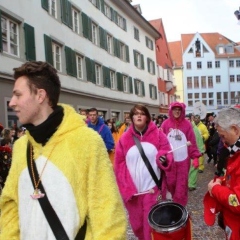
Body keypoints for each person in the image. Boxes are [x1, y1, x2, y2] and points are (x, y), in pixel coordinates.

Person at [0, 61, 127, 239]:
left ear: (40, 95)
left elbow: (108, 217)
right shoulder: (22, 146)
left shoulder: (87, 142)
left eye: (18, 95)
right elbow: (10, 204)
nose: (11, 103)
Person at [114, 104, 176, 240]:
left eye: (142, 113)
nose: (139, 116)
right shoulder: (124, 139)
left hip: (152, 190)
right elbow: (119, 164)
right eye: (136, 114)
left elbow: (167, 153)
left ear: (147, 117)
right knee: (137, 225)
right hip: (134, 192)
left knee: (150, 225)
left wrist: (163, 157)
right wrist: (125, 187)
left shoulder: (159, 135)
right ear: (132, 118)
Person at [205, 107, 240, 240]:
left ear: (235, 129)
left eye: (223, 136)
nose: (222, 141)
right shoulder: (234, 151)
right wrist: (222, 179)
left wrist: (216, 189)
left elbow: (237, 201)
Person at [161, 102, 201, 206]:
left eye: (179, 109)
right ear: (171, 110)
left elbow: (192, 141)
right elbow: (160, 141)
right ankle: (170, 204)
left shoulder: (187, 125)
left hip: (183, 162)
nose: (177, 111)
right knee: (169, 183)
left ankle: (179, 207)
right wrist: (161, 155)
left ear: (182, 111)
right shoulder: (165, 124)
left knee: (181, 186)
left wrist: (195, 157)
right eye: (175, 109)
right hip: (169, 162)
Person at [185, 114, 205, 191]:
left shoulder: (195, 129)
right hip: (187, 152)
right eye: (185, 119)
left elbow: (199, 141)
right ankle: (189, 183)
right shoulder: (187, 128)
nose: (186, 121)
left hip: (194, 152)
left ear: (191, 119)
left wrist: (200, 152)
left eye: (188, 119)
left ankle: (191, 185)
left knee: (194, 167)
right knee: (189, 168)